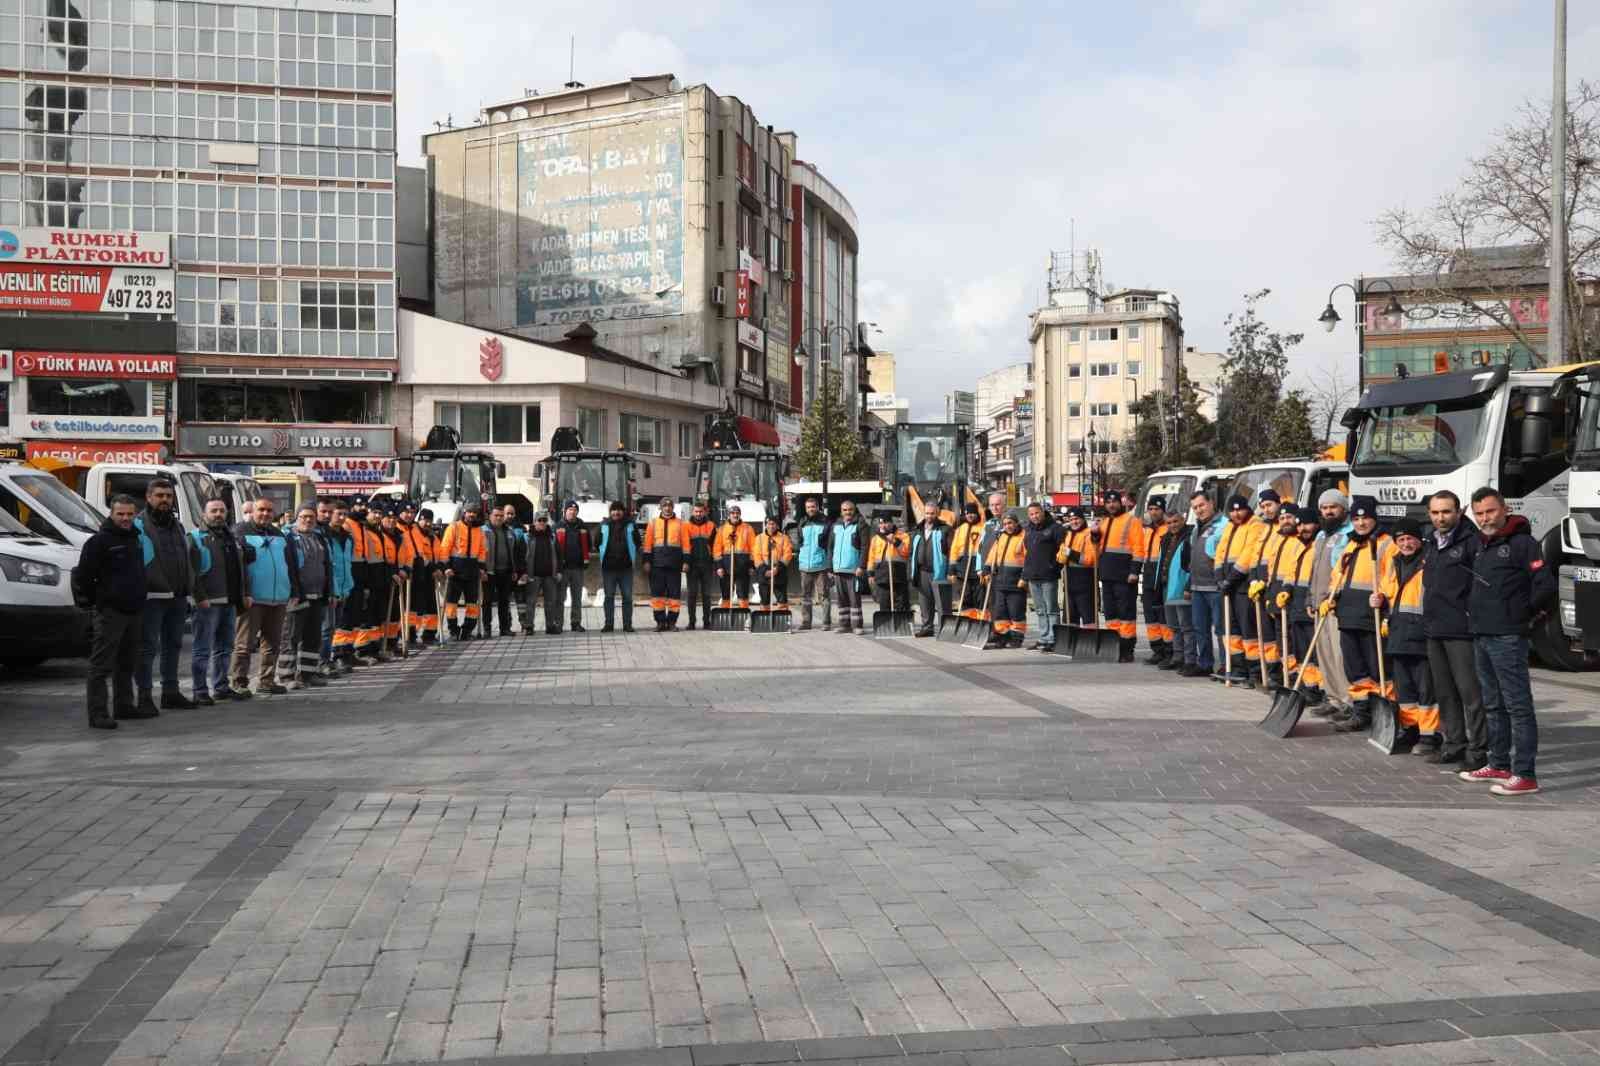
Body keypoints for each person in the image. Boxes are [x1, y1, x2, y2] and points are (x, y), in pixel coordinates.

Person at [1458, 487, 1555, 796]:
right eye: (1480, 513)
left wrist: (1521, 616)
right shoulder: (1480, 544)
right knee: (1493, 704)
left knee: (1518, 706)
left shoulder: (1523, 543)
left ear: (1504, 510)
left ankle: (1525, 774)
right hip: (1482, 635)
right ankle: (1499, 764)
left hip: (1508, 637)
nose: (1485, 518)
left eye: (1490, 511)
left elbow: (1545, 586)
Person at [75, 495, 148, 729]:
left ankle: (124, 706)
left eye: (130, 514)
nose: (126, 518)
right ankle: (98, 714)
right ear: (111, 514)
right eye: (121, 514)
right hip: (110, 612)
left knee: (127, 662)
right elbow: (83, 577)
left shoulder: (135, 539)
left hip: (134, 610)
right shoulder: (99, 542)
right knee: (101, 665)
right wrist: (98, 602)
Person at [1423, 490, 1484, 768]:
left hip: (1461, 629)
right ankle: (1454, 743)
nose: (1441, 518)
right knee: (1445, 692)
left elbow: (1479, 586)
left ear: (1459, 512)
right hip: (1435, 628)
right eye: (1435, 513)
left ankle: (1479, 749)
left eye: (1446, 512)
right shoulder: (1431, 541)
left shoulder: (1471, 541)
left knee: (1470, 693)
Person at [1326, 495, 1393, 734]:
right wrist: (1330, 596)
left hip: (1370, 615)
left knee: (1378, 668)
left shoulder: (1385, 543)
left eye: (1365, 518)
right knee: (1355, 667)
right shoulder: (1352, 544)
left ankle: (1383, 711)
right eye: (1356, 519)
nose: (1361, 523)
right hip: (1348, 613)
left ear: (1374, 518)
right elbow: (1338, 574)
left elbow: (1391, 576)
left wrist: (1383, 595)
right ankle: (1361, 710)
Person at [132, 476, 194, 713]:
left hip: (177, 596)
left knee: (173, 645)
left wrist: (188, 587)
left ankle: (170, 692)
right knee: (147, 647)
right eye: (160, 496)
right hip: (152, 597)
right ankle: (145, 696)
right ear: (149, 498)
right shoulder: (139, 525)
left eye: (168, 496)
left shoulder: (176, 525)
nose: (165, 500)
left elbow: (185, 558)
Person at [1374, 516, 1435, 752]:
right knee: (1405, 689)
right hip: (1399, 634)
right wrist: (1379, 599)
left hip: (1421, 635)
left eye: (1410, 538)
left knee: (1426, 690)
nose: (1406, 543)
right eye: (1401, 539)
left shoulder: (1427, 563)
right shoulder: (1395, 562)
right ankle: (1410, 730)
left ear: (1419, 540)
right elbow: (1391, 593)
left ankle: (1429, 736)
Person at [231, 497, 298, 698]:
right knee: (244, 644)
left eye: (269, 511)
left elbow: (289, 564)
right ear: (252, 511)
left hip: (278, 598)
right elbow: (236, 568)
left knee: (272, 644)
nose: (266, 514)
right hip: (252, 599)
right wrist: (243, 593)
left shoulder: (279, 534)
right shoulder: (239, 532)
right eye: (261, 510)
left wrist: (293, 590)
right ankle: (238, 683)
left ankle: (266, 681)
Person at [188, 497, 245, 704]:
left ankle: (221, 687)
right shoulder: (195, 538)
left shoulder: (232, 538)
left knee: (224, 648)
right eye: (214, 511)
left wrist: (242, 595)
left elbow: (240, 571)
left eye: (222, 510)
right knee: (202, 649)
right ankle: (200, 690)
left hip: (229, 602)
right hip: (207, 604)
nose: (218, 514)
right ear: (204, 515)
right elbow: (190, 573)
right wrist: (199, 598)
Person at [1309, 490, 1355, 714]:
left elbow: (1344, 572)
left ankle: (1347, 700)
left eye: (1333, 507)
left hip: (1335, 605)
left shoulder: (1349, 534)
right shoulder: (1320, 536)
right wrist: (1311, 598)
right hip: (1318, 604)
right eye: (1325, 508)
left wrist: (1333, 597)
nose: (1328, 511)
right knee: (1324, 655)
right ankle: (1332, 697)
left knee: (1339, 655)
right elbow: (1314, 569)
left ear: (1343, 509)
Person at [1228, 490, 1279, 684]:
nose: (1267, 509)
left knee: (1272, 636)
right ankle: (1264, 673)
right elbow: (1256, 555)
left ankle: (1274, 674)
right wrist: (1254, 579)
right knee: (1263, 633)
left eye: (1270, 505)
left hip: (1273, 586)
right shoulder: (1265, 527)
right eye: (1264, 506)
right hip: (1257, 585)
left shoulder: (1278, 527)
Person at [1273, 508, 1323, 699]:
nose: (1303, 528)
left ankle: (1319, 688)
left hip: (1310, 605)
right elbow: (1291, 572)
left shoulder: (1318, 545)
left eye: (1307, 524)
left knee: (1315, 651)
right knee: (1302, 650)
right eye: (1300, 524)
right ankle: (1308, 685)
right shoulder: (1298, 545)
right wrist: (1285, 589)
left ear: (1316, 524)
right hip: (1296, 604)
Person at [285, 505, 333, 688]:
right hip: (298, 597)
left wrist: (329, 592)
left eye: (311, 517)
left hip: (318, 596)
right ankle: (287, 676)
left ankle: (308, 674)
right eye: (304, 516)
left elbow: (327, 566)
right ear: (297, 518)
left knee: (313, 638)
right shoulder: (289, 539)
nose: (308, 520)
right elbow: (289, 568)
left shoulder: (319, 538)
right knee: (291, 638)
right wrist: (294, 592)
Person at [1093, 488, 1143, 663]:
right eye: (1108, 502)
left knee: (1126, 613)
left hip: (1124, 575)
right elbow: (1098, 549)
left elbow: (1138, 548)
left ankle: (1127, 648)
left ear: (1120, 502)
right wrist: (1094, 536)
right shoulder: (1104, 522)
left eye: (1114, 501)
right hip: (1107, 574)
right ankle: (1114, 646)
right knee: (1111, 613)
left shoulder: (1132, 521)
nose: (1111, 505)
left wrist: (1135, 571)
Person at [1252, 500, 1298, 686]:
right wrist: (1256, 581)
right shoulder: (1277, 538)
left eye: (1289, 517)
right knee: (1279, 639)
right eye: (1283, 518)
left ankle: (1294, 678)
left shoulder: (1298, 539)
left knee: (1290, 640)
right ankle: (1280, 675)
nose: (1285, 520)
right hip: (1273, 592)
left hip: (1289, 594)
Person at [1212, 495, 1256, 683]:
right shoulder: (1230, 526)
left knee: (1248, 630)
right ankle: (1236, 667)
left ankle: (1253, 669)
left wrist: (1231, 578)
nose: (1236, 514)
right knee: (1231, 630)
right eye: (1233, 510)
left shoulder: (1255, 525)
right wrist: (1219, 575)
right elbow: (1220, 552)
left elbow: (1248, 553)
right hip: (1228, 585)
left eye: (1240, 509)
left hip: (1242, 584)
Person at [1183, 491, 1226, 678]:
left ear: (1211, 503)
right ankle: (1205, 663)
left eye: (1201, 505)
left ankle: (1226, 664)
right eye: (1195, 507)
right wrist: (1189, 584)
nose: (1199, 510)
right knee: (1200, 628)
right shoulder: (1196, 529)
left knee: (1221, 628)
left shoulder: (1223, 525)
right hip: (1198, 586)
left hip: (1216, 587)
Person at [1019, 502, 1063, 651]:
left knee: (1051, 608)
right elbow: (1028, 555)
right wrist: (1025, 575)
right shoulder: (1028, 530)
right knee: (1040, 609)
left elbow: (1062, 551)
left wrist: (1055, 567)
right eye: (1031, 514)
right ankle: (1044, 637)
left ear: (1043, 512)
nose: (1034, 516)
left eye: (1037, 513)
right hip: (1033, 576)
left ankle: (1053, 638)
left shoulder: (1055, 529)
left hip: (1048, 576)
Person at [642, 497, 690, 632]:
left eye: (669, 506)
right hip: (657, 564)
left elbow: (686, 545)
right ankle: (660, 622)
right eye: (665, 506)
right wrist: (646, 561)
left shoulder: (681, 524)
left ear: (673, 508)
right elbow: (647, 544)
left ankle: (672, 623)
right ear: (661, 508)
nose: (667, 508)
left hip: (674, 564)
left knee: (674, 596)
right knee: (657, 596)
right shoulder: (653, 523)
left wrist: (686, 561)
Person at [442, 503, 488, 639]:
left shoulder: (479, 531)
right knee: (451, 603)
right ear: (464, 513)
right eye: (469, 512)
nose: (471, 515)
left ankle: (467, 630)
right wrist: (446, 567)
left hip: (472, 570)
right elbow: (445, 548)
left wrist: (481, 568)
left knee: (472, 603)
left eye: (474, 513)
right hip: (455, 570)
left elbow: (482, 551)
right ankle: (453, 630)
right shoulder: (454, 527)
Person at [1153, 508, 1191, 672]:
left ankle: (1189, 659)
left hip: (1181, 587)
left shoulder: (1189, 536)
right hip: (1167, 586)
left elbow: (1190, 565)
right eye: (1169, 522)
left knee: (1186, 626)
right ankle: (1177, 657)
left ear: (1183, 519)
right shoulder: (1165, 538)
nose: (1173, 525)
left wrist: (1188, 585)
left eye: (1175, 521)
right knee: (1174, 626)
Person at [983, 511, 1027, 649]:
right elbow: (993, 554)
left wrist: (1024, 577)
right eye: (1006, 523)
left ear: (1016, 523)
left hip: (1016, 581)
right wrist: (986, 568)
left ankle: (1016, 637)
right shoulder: (1000, 537)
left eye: (1010, 523)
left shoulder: (1023, 537)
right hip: (1000, 579)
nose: (1008, 526)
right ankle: (1002, 635)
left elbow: (1029, 559)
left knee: (1016, 611)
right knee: (1000, 611)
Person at [398, 502, 440, 647]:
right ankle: (408, 636)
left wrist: (435, 567)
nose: (427, 523)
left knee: (424, 606)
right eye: (424, 520)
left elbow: (425, 554)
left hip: (423, 570)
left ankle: (427, 634)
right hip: (409, 570)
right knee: (410, 606)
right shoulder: (405, 531)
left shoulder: (431, 536)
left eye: (429, 520)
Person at [910, 503, 953, 638]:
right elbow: (912, 551)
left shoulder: (945, 529)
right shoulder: (918, 529)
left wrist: (951, 570)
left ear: (937, 513)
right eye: (927, 513)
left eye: (932, 513)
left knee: (942, 603)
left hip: (939, 571)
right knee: (924, 602)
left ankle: (945, 629)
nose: (929, 516)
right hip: (922, 571)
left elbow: (951, 551)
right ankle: (927, 627)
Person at [1138, 497, 1172, 664]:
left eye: (1157, 509)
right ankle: (1157, 649)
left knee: (1164, 616)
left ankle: (1169, 650)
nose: (1153, 512)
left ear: (1163, 510)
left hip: (1162, 577)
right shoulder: (1148, 530)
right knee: (1150, 616)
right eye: (1150, 509)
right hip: (1149, 575)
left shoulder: (1168, 529)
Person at [597, 500, 640, 632]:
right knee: (609, 597)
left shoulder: (631, 525)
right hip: (608, 568)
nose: (616, 512)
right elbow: (596, 542)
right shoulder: (604, 525)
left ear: (623, 511)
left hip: (626, 568)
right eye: (613, 510)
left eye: (619, 510)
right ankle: (608, 624)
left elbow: (638, 542)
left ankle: (627, 625)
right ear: (610, 512)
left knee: (627, 597)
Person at [829, 500, 869, 634]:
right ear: (841, 511)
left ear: (854, 510)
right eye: (845, 510)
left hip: (853, 569)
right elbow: (830, 547)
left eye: (850, 510)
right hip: (838, 569)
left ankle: (857, 625)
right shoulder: (836, 525)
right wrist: (830, 567)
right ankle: (844, 625)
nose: (848, 512)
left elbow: (865, 547)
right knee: (841, 599)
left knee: (854, 599)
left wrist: (861, 566)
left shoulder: (860, 524)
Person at [794, 497, 833, 631]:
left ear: (818, 507)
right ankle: (806, 622)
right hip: (805, 564)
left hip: (821, 564)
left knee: (824, 595)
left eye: (813, 506)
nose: (811, 509)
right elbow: (799, 541)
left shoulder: (826, 522)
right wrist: (800, 554)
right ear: (806, 509)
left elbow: (830, 545)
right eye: (808, 507)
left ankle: (826, 622)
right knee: (805, 596)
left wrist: (829, 564)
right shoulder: (802, 522)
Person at [1057, 508, 1098, 630]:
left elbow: (1091, 559)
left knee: (1087, 614)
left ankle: (1090, 640)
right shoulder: (1067, 534)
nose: (1074, 522)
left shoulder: (1088, 534)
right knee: (1070, 614)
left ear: (1082, 519)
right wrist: (1061, 556)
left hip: (1085, 579)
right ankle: (1071, 641)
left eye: (1076, 519)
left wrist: (1071, 554)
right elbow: (1060, 556)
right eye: (1071, 519)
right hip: (1069, 579)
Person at [713, 504, 756, 617]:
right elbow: (717, 549)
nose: (735, 515)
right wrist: (719, 566)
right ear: (729, 515)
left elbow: (754, 548)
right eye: (733, 513)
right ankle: (725, 617)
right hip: (726, 566)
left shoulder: (748, 528)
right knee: (726, 593)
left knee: (743, 593)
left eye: (737, 513)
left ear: (740, 514)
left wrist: (752, 566)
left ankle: (744, 617)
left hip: (743, 566)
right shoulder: (722, 529)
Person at [325, 504, 355, 668]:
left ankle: (333, 657)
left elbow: (347, 562)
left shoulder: (347, 537)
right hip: (331, 588)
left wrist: (349, 585)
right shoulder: (325, 535)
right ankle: (327, 660)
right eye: (339, 514)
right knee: (326, 629)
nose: (342, 518)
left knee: (336, 626)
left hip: (344, 588)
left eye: (345, 514)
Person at [482, 504, 518, 638]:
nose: (499, 518)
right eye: (496, 515)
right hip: (489, 572)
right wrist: (482, 570)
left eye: (501, 516)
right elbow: (480, 552)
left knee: (504, 601)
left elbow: (512, 552)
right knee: (487, 602)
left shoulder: (509, 531)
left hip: (506, 571)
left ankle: (505, 628)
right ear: (490, 516)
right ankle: (487, 629)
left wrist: (514, 570)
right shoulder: (483, 531)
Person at [867, 514, 911, 623]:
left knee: (901, 602)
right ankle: (886, 625)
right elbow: (871, 557)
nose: (883, 525)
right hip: (882, 575)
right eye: (881, 523)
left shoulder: (902, 536)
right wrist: (870, 573)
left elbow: (906, 552)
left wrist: (895, 541)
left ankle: (902, 624)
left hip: (898, 574)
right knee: (884, 602)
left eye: (885, 523)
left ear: (891, 523)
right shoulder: (876, 539)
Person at [523, 512, 563, 634]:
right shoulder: (527, 537)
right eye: (539, 520)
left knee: (551, 602)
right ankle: (529, 626)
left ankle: (550, 625)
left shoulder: (552, 536)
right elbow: (521, 556)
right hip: (532, 575)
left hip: (550, 575)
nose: (542, 523)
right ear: (534, 522)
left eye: (544, 520)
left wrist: (559, 571)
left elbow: (559, 555)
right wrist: (524, 573)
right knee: (531, 602)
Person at [684, 502, 718, 631]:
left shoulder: (711, 526)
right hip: (692, 565)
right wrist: (685, 562)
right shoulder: (686, 526)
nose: (698, 514)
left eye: (700, 511)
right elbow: (685, 546)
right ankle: (692, 622)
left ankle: (707, 622)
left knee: (706, 595)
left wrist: (715, 562)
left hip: (707, 564)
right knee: (692, 594)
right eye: (696, 511)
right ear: (692, 512)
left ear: (705, 512)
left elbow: (715, 545)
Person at [557, 502, 591, 632]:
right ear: (565, 511)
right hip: (562, 568)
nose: (572, 512)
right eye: (570, 509)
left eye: (574, 510)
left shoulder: (583, 526)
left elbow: (588, 543)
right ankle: (558, 623)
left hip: (577, 567)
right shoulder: (557, 526)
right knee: (560, 598)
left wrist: (585, 561)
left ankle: (575, 623)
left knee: (577, 598)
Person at [947, 504, 986, 615]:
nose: (970, 515)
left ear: (977, 514)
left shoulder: (983, 528)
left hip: (977, 570)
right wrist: (952, 569)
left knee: (979, 599)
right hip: (962, 570)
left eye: (973, 513)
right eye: (968, 513)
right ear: (965, 514)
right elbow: (954, 549)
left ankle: (978, 620)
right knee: (965, 598)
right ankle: (967, 620)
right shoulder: (960, 529)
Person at [753, 516, 793, 610]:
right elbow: (756, 555)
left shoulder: (784, 538)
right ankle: (765, 619)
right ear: (766, 525)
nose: (771, 526)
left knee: (782, 599)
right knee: (764, 599)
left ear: (777, 526)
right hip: (764, 574)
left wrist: (777, 569)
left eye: (773, 524)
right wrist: (764, 570)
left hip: (779, 573)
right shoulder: (759, 538)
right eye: (769, 524)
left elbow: (787, 554)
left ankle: (782, 620)